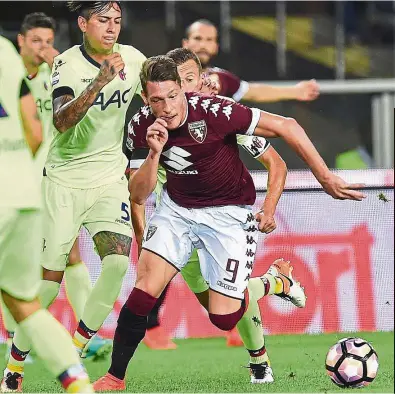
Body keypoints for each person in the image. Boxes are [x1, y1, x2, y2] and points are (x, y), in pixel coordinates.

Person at [93, 55, 365, 390]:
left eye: (173, 96)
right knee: (143, 292)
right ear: (147, 99)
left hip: (228, 214)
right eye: (156, 100)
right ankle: (113, 377)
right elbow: (137, 194)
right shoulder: (140, 126)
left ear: (182, 89)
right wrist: (153, 154)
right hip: (176, 210)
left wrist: (324, 177)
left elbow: (288, 126)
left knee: (224, 318)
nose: (166, 108)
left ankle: (274, 281)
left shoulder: (216, 111)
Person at [127, 47, 299, 384]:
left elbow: (276, 162)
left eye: (193, 79)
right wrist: (141, 237)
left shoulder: (220, 119)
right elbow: (135, 195)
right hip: (175, 224)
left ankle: (260, 358)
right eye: (183, 81)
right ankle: (273, 285)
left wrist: (268, 208)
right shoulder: (152, 124)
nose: (189, 88)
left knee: (230, 302)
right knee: (217, 311)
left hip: (220, 221)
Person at [3, 1, 147, 385]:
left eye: (117, 21)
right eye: (103, 21)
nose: (112, 28)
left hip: (109, 178)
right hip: (63, 181)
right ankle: (14, 367)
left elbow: (158, 95)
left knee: (117, 263)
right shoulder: (66, 64)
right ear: (83, 24)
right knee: (48, 283)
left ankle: (77, 349)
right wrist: (100, 80)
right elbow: (62, 121)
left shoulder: (133, 59)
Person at [0, 11, 110, 366]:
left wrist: (58, 63)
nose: (43, 48)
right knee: (18, 267)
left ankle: (85, 336)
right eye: (36, 41)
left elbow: (79, 111)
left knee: (71, 254)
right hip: (18, 181)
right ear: (20, 41)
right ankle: (16, 334)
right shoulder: (11, 77)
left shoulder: (56, 76)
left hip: (52, 177)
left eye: (49, 41)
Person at [182, 19, 320, 103]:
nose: (203, 45)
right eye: (198, 38)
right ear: (185, 43)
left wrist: (295, 91)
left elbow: (254, 92)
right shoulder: (167, 74)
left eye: (209, 40)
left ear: (216, 47)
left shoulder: (223, 79)